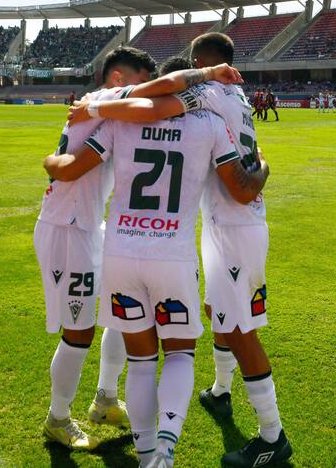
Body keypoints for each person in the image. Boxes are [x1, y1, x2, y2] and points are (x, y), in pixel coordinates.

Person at [68, 32, 292, 468]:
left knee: (239, 329)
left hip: (227, 227)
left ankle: (272, 436)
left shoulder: (204, 93)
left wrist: (96, 105)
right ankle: (221, 392)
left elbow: (154, 101)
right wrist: (263, 165)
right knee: (218, 315)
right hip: (220, 229)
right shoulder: (236, 101)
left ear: (201, 63)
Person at [38, 46, 247, 453]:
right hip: (67, 226)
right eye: (139, 81)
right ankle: (57, 418)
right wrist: (51, 163)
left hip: (92, 225)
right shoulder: (106, 102)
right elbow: (71, 166)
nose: (143, 92)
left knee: (121, 318)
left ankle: (104, 399)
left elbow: (152, 110)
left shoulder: (113, 109)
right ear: (118, 79)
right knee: (79, 332)